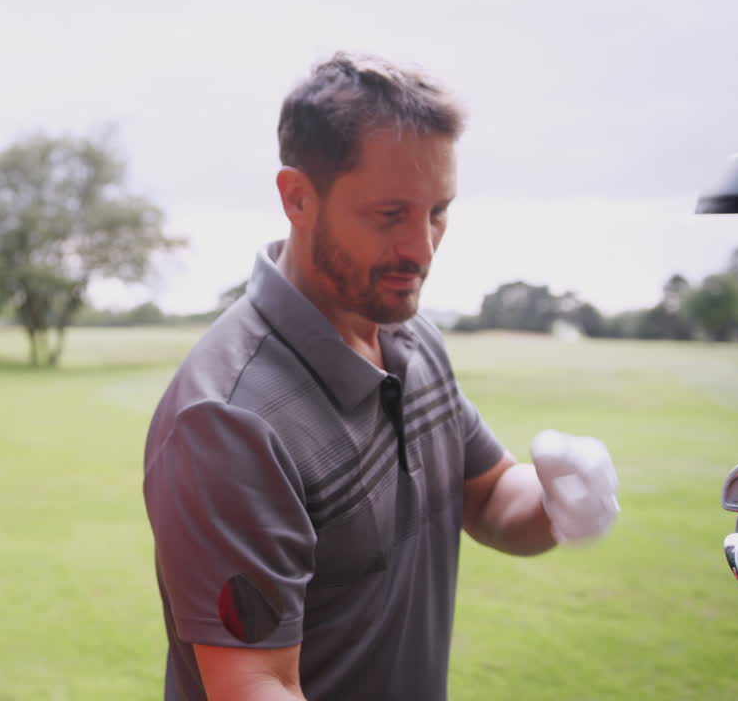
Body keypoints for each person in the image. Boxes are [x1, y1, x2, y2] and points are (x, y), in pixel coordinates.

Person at [142, 52, 620, 701]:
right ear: (297, 197)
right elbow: (254, 684)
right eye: (390, 214)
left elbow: (487, 496)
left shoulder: (411, 338)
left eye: (438, 212)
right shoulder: (230, 421)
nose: (422, 249)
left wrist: (556, 503)